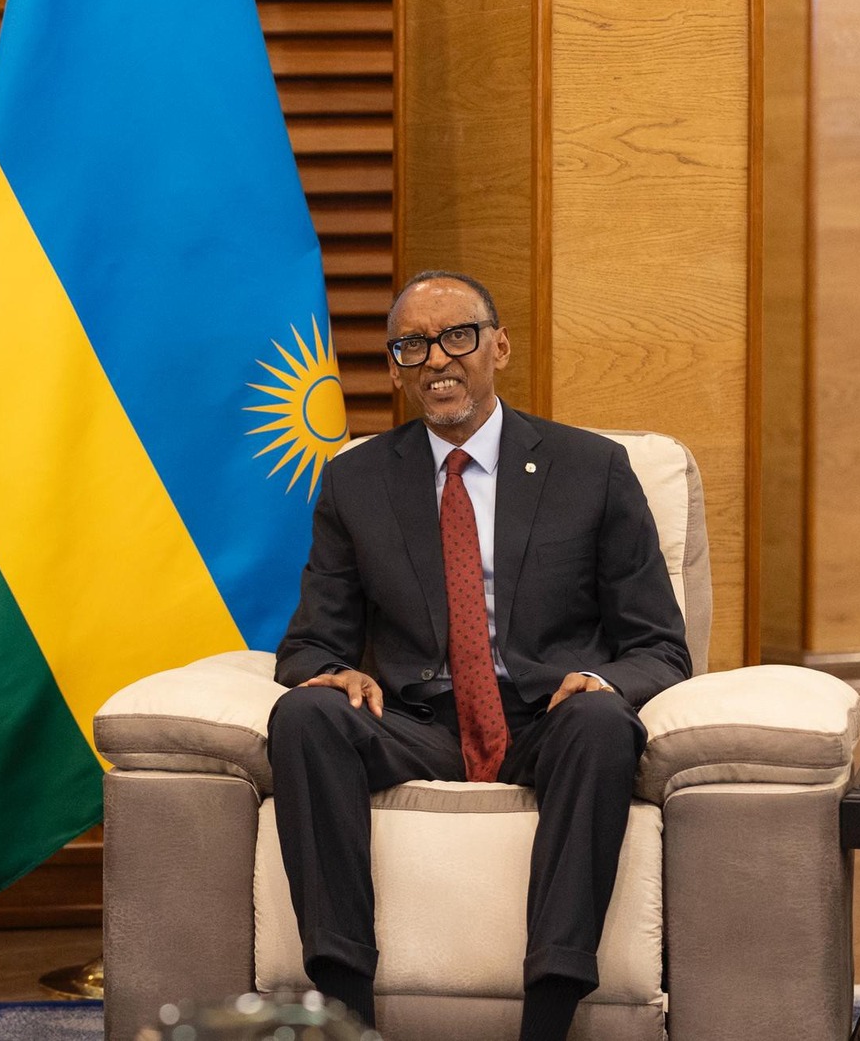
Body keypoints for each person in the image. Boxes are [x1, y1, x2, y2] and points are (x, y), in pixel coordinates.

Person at [270, 270, 689, 1041]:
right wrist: (336, 670)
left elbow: (660, 644)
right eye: (412, 345)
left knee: (601, 723)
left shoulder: (591, 469)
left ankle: (548, 1019)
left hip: (547, 718)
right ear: (394, 369)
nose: (437, 359)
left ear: (499, 346)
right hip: (418, 720)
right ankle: (346, 1016)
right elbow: (309, 643)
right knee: (305, 716)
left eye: (457, 336)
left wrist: (598, 679)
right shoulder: (355, 480)